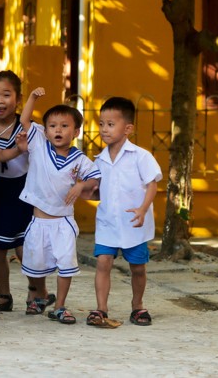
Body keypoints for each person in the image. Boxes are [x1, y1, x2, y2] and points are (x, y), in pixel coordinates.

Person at [17, 88, 100, 324]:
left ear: (75, 131)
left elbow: (95, 179)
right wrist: (32, 98)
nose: (58, 130)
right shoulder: (39, 145)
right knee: (34, 266)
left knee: (66, 265)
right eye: (52, 126)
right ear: (45, 130)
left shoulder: (80, 159)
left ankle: (61, 306)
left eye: (64, 126)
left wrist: (81, 184)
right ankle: (39, 296)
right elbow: (24, 120)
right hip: (38, 221)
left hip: (63, 222)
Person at [0, 71, 54, 314]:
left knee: (26, 247)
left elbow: (50, 156)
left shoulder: (31, 128)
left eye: (6, 95)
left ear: (19, 98)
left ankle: (38, 292)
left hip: (25, 190)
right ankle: (4, 296)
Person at [86, 97, 161, 327]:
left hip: (133, 222)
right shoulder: (98, 160)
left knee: (137, 268)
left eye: (110, 124)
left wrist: (143, 208)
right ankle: (101, 309)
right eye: (101, 124)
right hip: (108, 221)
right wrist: (82, 189)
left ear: (127, 128)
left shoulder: (141, 156)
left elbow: (152, 184)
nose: (104, 129)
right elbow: (97, 191)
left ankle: (137, 306)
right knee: (103, 263)